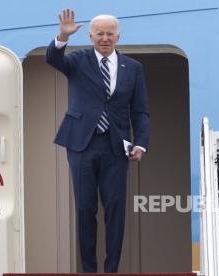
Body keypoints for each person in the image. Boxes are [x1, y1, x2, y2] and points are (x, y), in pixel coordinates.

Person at [46, 9, 150, 273]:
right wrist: (62, 37)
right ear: (91, 35)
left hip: (116, 146)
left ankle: (111, 268)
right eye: (100, 33)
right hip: (82, 143)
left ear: (118, 36)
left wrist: (140, 143)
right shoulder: (78, 60)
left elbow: (140, 111)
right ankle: (89, 269)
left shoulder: (133, 68)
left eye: (110, 33)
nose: (105, 38)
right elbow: (54, 59)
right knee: (84, 208)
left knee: (116, 208)